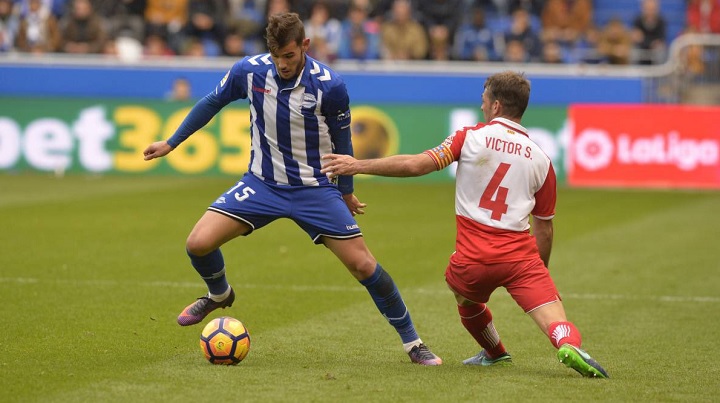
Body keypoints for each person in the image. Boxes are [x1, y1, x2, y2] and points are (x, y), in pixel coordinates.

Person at [142, 12, 441, 366]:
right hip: (262, 184)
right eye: (276, 57)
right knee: (197, 244)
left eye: (289, 56)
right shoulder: (249, 72)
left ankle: (414, 342)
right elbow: (211, 103)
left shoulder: (330, 85)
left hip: (314, 189)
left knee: (363, 265)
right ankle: (219, 293)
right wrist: (172, 142)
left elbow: (343, 140)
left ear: (305, 46)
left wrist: (345, 191)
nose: (283, 64)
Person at [321, 71, 609, 378]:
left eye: (484, 99)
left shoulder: (470, 137)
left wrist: (357, 164)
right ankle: (569, 345)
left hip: (473, 259)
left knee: (463, 294)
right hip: (521, 258)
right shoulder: (541, 159)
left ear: (496, 105)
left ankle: (495, 353)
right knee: (553, 317)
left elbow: (417, 165)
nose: (482, 105)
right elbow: (545, 228)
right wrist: (541, 273)